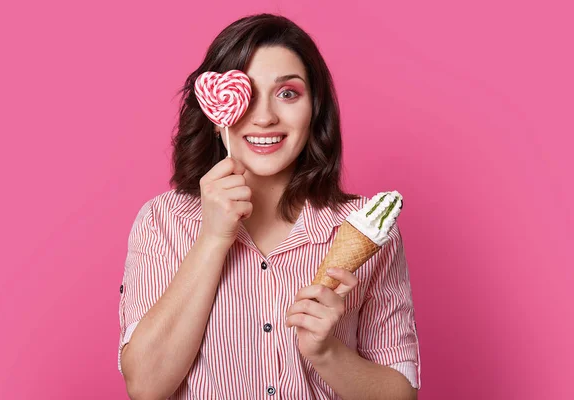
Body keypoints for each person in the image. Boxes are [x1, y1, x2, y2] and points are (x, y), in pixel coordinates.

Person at [118, 13, 421, 400]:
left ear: (315, 110)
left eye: (288, 93)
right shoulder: (163, 222)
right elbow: (145, 386)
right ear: (215, 115)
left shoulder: (367, 230)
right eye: (247, 94)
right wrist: (212, 239)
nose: (264, 118)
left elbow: (401, 395)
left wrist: (328, 354)